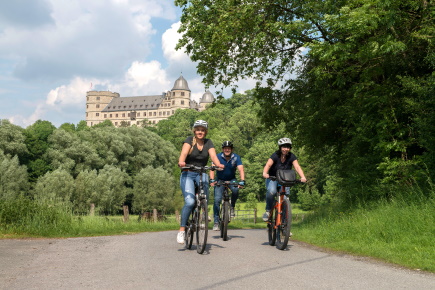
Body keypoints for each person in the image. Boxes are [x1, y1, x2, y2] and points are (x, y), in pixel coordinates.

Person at [177, 120, 224, 244]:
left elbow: (213, 156)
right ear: (194, 131)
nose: (200, 132)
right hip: (188, 173)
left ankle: (203, 212)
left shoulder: (209, 143)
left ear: (205, 132)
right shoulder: (189, 140)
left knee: (205, 195)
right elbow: (184, 153)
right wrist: (182, 161)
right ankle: (182, 230)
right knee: (190, 201)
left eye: (202, 130)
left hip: (201, 172)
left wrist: (218, 164)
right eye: (198, 129)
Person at [262, 137, 307, 222]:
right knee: (271, 192)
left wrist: (303, 177)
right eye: (284, 147)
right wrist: (265, 173)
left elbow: (297, 167)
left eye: (287, 147)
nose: (285, 149)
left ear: (290, 148)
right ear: (280, 147)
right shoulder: (275, 155)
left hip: (285, 180)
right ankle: (268, 211)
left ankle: (285, 227)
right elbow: (268, 165)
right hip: (273, 178)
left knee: (285, 199)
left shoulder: (291, 156)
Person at [209, 141, 245, 231]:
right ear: (223, 149)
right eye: (225, 148)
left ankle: (232, 206)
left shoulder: (236, 157)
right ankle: (216, 222)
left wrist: (242, 181)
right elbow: (212, 169)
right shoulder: (217, 157)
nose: (227, 150)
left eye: (229, 148)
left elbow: (241, 169)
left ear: (231, 149)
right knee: (217, 200)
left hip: (232, 179)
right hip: (219, 180)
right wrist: (212, 180)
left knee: (236, 190)